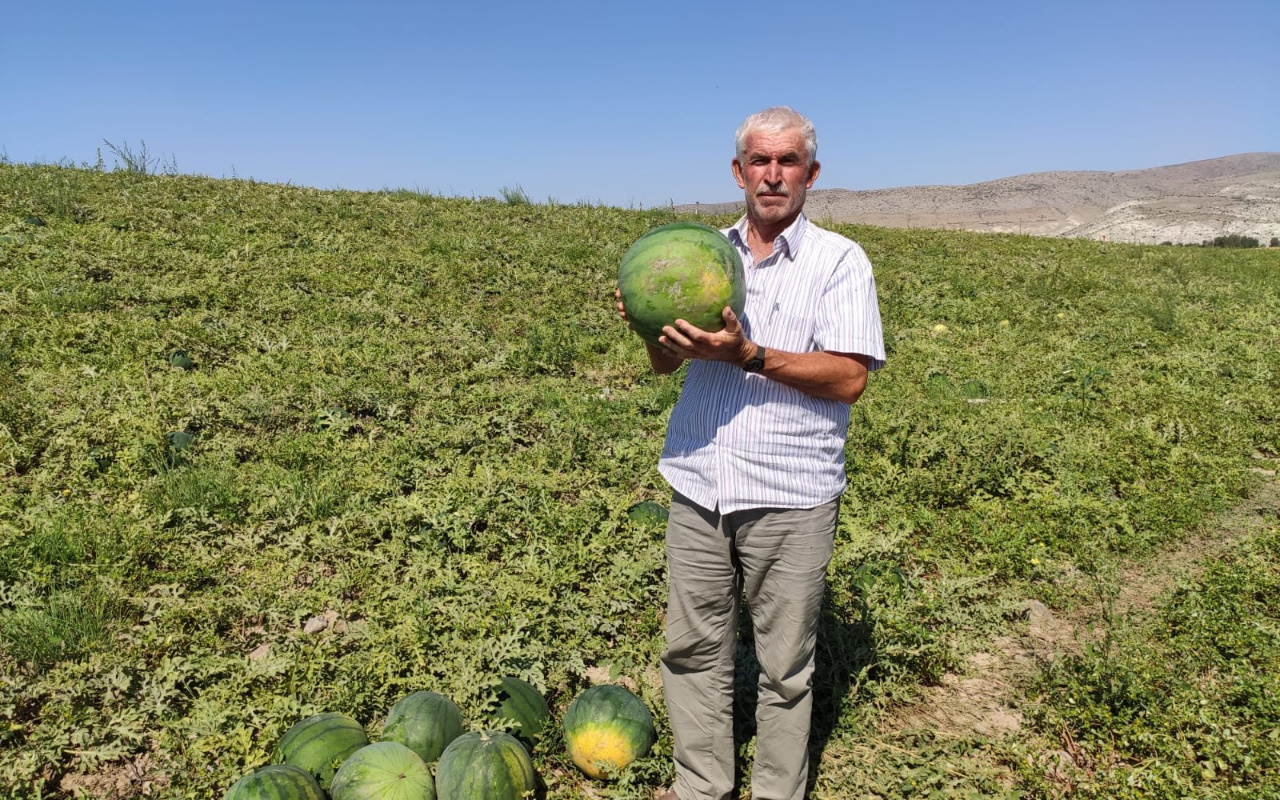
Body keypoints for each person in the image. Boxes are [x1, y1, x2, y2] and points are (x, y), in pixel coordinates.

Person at [617, 107, 886, 800]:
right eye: (759, 161)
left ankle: (775, 792)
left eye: (788, 161)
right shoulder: (699, 254)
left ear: (811, 173)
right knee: (692, 649)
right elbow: (661, 367)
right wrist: (653, 329)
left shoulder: (838, 262)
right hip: (700, 483)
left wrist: (750, 355)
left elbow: (850, 378)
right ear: (738, 172)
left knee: (784, 667)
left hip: (791, 492)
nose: (773, 175)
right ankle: (702, 787)